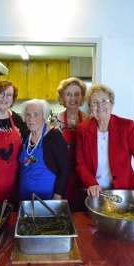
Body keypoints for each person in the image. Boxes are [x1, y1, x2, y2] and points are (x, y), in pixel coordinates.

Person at [50, 77, 90, 211]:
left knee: (84, 211)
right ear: (62, 97)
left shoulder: (89, 120)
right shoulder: (54, 121)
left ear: (82, 97)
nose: (73, 98)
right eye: (69, 94)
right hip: (63, 174)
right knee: (63, 211)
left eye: (77, 94)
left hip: (84, 173)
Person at [18, 99, 70, 201]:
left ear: (45, 116)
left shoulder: (54, 136)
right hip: (24, 196)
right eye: (28, 114)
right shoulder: (25, 136)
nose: (31, 118)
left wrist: (57, 196)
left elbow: (64, 169)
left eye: (36, 114)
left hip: (47, 199)